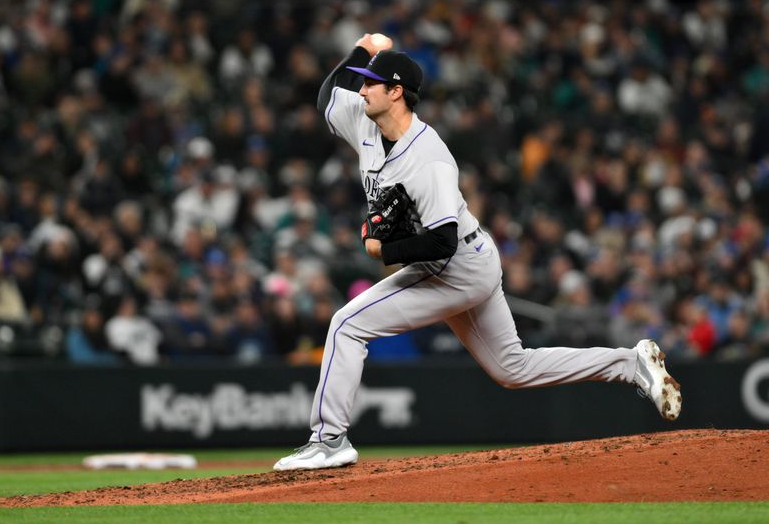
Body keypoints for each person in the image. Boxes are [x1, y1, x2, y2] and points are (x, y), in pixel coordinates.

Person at [273, 33, 682, 471]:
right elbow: (325, 99)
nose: (361, 88)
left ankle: (330, 439)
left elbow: (441, 241)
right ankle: (629, 363)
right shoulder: (365, 123)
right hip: (467, 261)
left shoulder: (429, 160)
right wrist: (363, 49)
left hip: (456, 267)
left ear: (396, 93)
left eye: (371, 82)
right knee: (513, 369)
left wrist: (384, 248)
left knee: (347, 325)